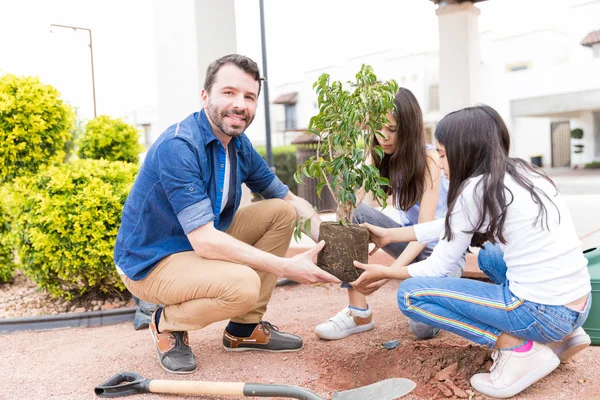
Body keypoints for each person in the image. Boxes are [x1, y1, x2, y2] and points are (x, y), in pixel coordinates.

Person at [114, 54, 339, 374]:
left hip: (195, 245)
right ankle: (165, 323)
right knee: (244, 285)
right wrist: (286, 266)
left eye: (249, 97)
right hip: (151, 260)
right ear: (205, 96)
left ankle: (244, 330)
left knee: (281, 212)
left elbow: (288, 198)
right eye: (229, 92)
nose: (240, 104)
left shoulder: (237, 144)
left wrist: (330, 240)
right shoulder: (180, 145)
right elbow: (206, 242)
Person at [351, 105, 592, 398]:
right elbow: (453, 224)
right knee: (491, 255)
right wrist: (391, 234)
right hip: (578, 305)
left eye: (441, 153)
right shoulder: (523, 172)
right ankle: (565, 336)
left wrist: (386, 272)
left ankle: (518, 349)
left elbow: (437, 269)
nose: (439, 163)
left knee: (411, 294)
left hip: (540, 313)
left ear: (463, 149)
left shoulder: (474, 190)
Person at [314, 88, 464, 341]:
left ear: (408, 128)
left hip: (442, 250)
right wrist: (345, 169)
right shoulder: (381, 154)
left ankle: (446, 298)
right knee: (355, 214)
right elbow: (351, 207)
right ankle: (358, 312)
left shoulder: (429, 160)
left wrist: (388, 273)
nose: (383, 136)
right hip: (408, 243)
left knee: (422, 330)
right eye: (378, 128)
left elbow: (425, 234)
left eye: (392, 129)